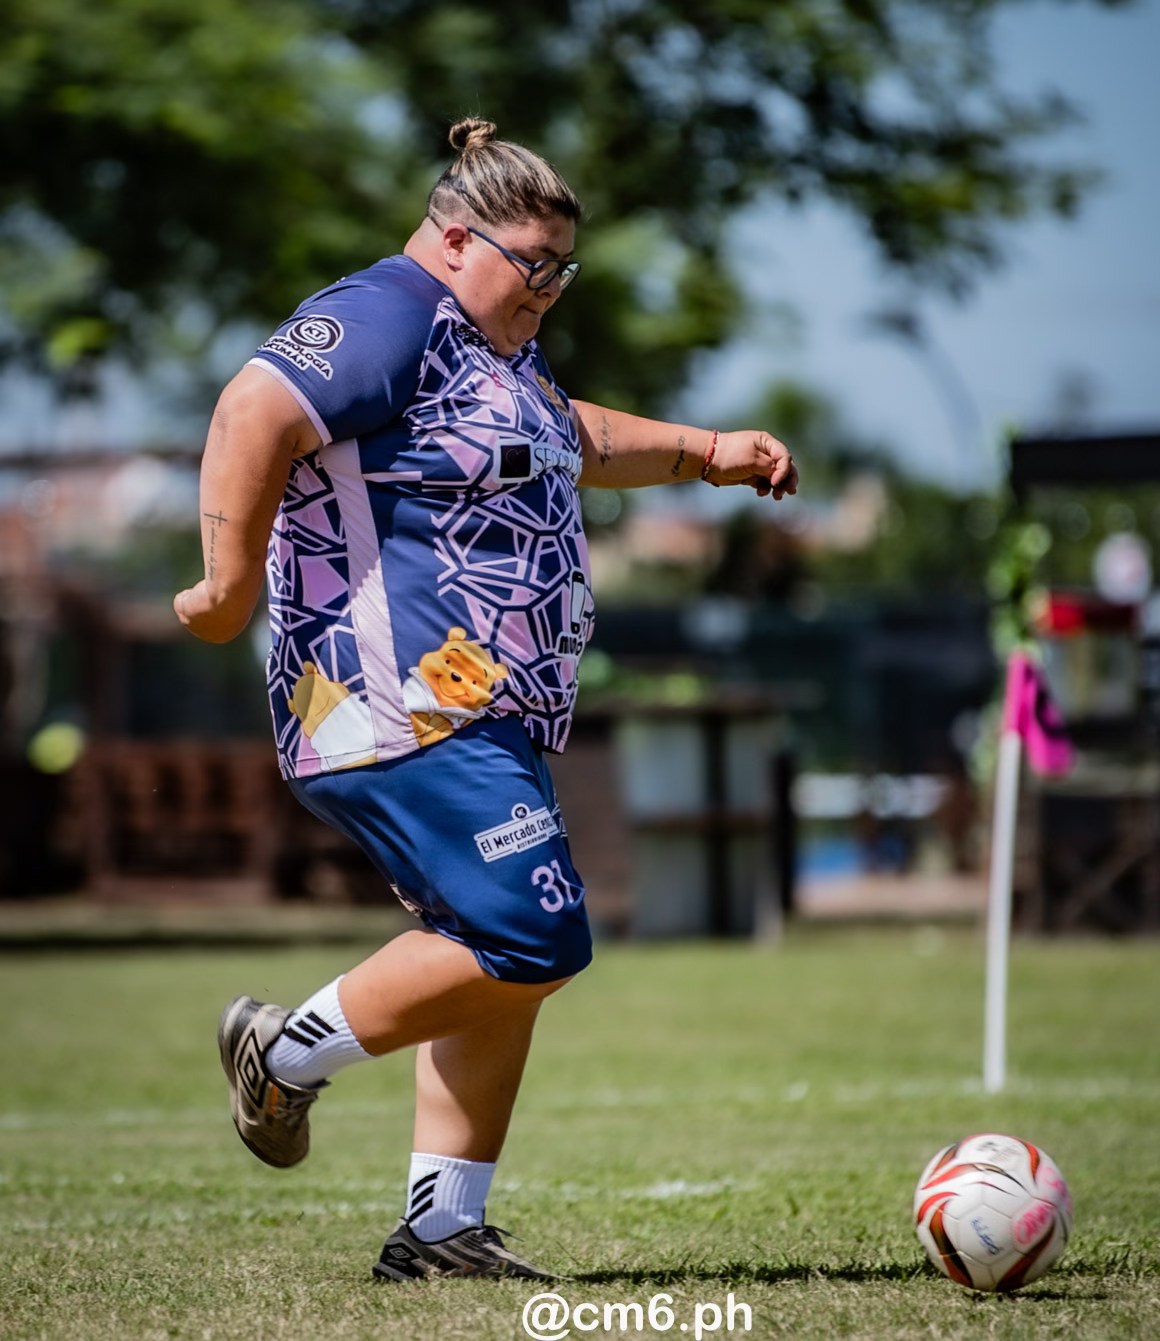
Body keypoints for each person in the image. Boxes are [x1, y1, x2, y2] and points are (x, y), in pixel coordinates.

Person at [174, 117, 798, 1282]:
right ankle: (281, 1053)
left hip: (477, 710)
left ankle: (442, 1229)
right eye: (536, 266)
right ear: (456, 237)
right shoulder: (392, 312)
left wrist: (706, 450)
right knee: (536, 933)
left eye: (567, 271)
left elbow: (571, 439)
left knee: (491, 952)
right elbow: (250, 410)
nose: (551, 292)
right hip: (391, 700)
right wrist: (225, 583)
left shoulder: (490, 349)